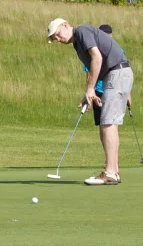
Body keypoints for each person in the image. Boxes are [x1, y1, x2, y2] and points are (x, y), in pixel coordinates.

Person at [47, 18, 134, 186]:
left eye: (57, 34)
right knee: (109, 123)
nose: (57, 39)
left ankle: (109, 172)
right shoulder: (77, 42)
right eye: (54, 38)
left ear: (65, 25)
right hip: (115, 74)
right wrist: (89, 94)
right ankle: (113, 171)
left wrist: (90, 88)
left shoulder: (81, 31)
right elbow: (96, 67)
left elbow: (97, 58)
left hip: (117, 73)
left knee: (108, 123)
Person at [92, 25, 132, 125]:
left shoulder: (118, 50)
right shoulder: (94, 51)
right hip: (98, 90)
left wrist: (128, 94)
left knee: (112, 121)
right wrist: (91, 91)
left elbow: (122, 72)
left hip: (114, 88)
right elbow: (89, 73)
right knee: (101, 122)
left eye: (108, 35)